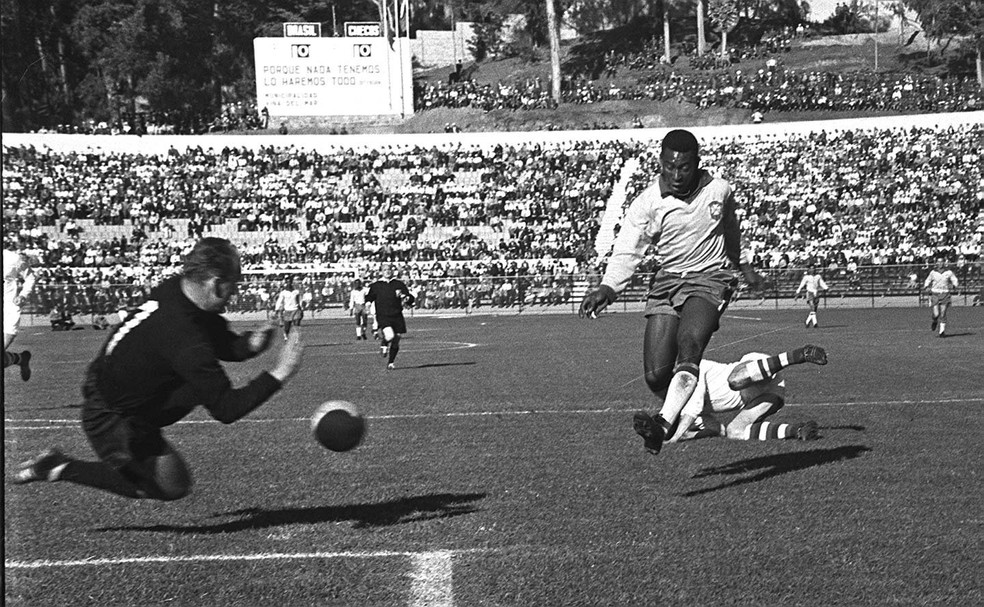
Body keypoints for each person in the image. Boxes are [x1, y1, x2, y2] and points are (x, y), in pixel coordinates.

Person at [12, 237, 304, 501]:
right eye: (233, 284)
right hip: (112, 416)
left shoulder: (179, 292)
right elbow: (227, 408)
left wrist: (248, 345)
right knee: (166, 486)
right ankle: (58, 466)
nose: (234, 293)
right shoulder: (181, 334)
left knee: (179, 469)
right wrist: (281, 372)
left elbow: (219, 342)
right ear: (215, 283)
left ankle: (90, 457)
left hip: (127, 392)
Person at [579, 128, 767, 456]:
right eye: (668, 167)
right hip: (667, 283)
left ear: (697, 163)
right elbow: (628, 248)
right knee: (655, 376)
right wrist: (609, 287)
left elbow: (731, 230)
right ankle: (692, 409)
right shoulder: (648, 201)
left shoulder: (719, 190)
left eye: (683, 167)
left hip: (709, 278)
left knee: (690, 345)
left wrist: (743, 265)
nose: (675, 174)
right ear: (660, 163)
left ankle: (663, 424)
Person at [666, 345, 828, 444]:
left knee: (734, 380)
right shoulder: (681, 406)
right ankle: (798, 430)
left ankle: (799, 354)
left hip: (755, 371)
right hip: (770, 393)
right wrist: (684, 435)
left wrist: (673, 439)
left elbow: (694, 408)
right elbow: (716, 429)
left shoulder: (692, 373)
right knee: (734, 432)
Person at [366, 265, 415, 370]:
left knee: (397, 339)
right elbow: (370, 297)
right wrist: (368, 303)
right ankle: (384, 343)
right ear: (381, 272)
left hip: (397, 315)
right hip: (383, 315)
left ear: (392, 271)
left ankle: (391, 362)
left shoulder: (398, 284)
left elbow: (409, 297)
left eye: (389, 270)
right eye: (385, 270)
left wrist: (407, 299)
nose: (387, 272)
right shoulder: (376, 285)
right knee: (390, 335)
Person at [3, 244, 35, 381]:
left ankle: (21, 359)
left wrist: (23, 295)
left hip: (8, 309)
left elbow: (30, 278)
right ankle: (21, 359)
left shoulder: (12, 258)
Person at [923, 257, 959, 337]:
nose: (940, 264)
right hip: (935, 293)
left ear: (944, 263)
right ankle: (935, 320)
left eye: (941, 262)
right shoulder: (933, 272)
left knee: (943, 314)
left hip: (945, 294)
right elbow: (928, 280)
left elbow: (954, 280)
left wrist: (954, 285)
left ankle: (942, 332)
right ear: (936, 263)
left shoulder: (948, 272)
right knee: (936, 314)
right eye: (938, 262)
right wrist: (926, 286)